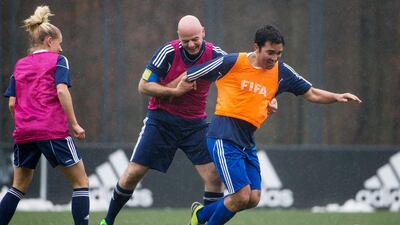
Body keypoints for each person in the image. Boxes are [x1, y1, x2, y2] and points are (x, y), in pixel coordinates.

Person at [100, 15, 277, 225]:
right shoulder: (168, 52)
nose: (191, 44)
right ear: (178, 37)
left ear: (203, 32)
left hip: (195, 125)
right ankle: (107, 221)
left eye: (195, 39)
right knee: (133, 173)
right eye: (185, 41)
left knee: (214, 176)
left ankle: (200, 220)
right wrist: (175, 91)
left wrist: (267, 100)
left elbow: (246, 79)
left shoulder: (216, 55)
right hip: (161, 122)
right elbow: (143, 86)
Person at [177, 25, 362, 225]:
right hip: (223, 135)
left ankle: (200, 215)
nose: (274, 58)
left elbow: (311, 92)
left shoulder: (282, 72)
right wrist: (171, 93)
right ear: (256, 47)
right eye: (270, 52)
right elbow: (192, 74)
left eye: (279, 53)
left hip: (246, 141)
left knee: (253, 198)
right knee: (240, 196)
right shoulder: (232, 61)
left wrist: (337, 96)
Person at [0, 6, 89, 225]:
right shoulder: (58, 61)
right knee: (80, 182)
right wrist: (75, 124)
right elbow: (61, 90)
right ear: (49, 41)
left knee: (18, 186)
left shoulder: (20, 66)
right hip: (51, 130)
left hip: (24, 133)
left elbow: (12, 103)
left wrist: (26, 122)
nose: (61, 48)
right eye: (59, 43)